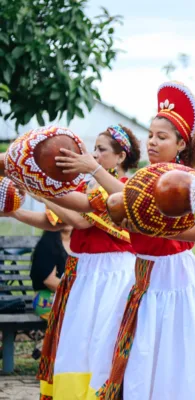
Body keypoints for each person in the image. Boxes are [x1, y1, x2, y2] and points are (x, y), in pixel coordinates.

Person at [58, 81, 195, 400]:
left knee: (167, 359)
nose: (153, 142)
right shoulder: (140, 179)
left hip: (174, 278)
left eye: (162, 137)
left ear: (181, 143)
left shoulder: (189, 183)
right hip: (141, 276)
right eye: (151, 135)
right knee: (133, 356)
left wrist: (94, 170)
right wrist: (40, 187)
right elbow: (90, 204)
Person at [3, 124, 140, 400]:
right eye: (94, 149)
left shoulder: (122, 190)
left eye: (101, 150)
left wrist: (38, 186)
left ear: (121, 157)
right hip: (86, 273)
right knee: (77, 344)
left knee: (101, 343)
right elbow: (52, 222)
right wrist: (14, 214)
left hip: (112, 274)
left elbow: (77, 219)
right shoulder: (87, 187)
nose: (94, 155)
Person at [30, 227, 72, 319]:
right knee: (78, 318)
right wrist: (78, 291)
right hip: (47, 299)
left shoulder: (78, 244)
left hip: (71, 298)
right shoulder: (47, 245)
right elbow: (49, 281)